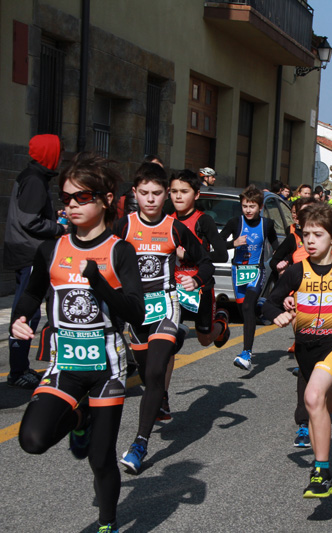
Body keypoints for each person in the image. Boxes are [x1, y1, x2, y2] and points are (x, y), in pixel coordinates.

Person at [14, 154, 144, 533]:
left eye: (80, 197)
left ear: (104, 199)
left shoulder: (120, 250)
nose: (69, 204)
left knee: (101, 459)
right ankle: (79, 416)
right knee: (32, 440)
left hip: (106, 367)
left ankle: (108, 524)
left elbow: (136, 313)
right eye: (65, 197)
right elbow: (31, 293)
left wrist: (100, 282)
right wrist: (22, 319)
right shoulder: (51, 249)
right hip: (64, 364)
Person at [262, 203, 332, 498]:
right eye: (305, 235)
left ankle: (322, 472)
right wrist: (278, 312)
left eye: (317, 235)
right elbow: (269, 302)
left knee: (313, 398)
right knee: (325, 404)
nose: (310, 241)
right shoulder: (295, 272)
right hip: (305, 350)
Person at [114, 162, 214, 475]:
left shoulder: (174, 228)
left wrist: (196, 280)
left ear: (165, 195)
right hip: (135, 311)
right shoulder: (124, 226)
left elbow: (207, 260)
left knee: (156, 370)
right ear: (135, 193)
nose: (151, 199)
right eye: (144, 193)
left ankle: (139, 444)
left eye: (158, 193)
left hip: (166, 303)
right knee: (147, 375)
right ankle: (175, 340)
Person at [164, 170, 231, 419]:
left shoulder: (204, 221)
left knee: (204, 340)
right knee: (167, 343)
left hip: (200, 287)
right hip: (172, 289)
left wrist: (189, 255)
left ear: (196, 194)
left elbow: (221, 255)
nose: (178, 196)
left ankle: (221, 323)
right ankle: (162, 398)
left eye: (184, 191)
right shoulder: (165, 220)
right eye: (174, 191)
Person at [4, 134, 67, 388]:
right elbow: (29, 220)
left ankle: (24, 368)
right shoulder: (34, 180)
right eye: (58, 152)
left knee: (32, 310)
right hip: (29, 252)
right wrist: (59, 227)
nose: (61, 157)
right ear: (49, 154)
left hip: (27, 250)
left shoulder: (34, 176)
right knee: (25, 312)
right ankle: (19, 371)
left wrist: (54, 217)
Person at [220, 184, 279, 370]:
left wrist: (281, 262)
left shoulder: (266, 224)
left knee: (247, 307)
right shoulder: (235, 223)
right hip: (238, 272)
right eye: (245, 206)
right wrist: (233, 243)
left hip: (256, 271)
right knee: (245, 310)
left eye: (252, 206)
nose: (248, 210)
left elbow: (276, 245)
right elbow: (219, 244)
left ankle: (246, 353)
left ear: (260, 207)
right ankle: (261, 305)